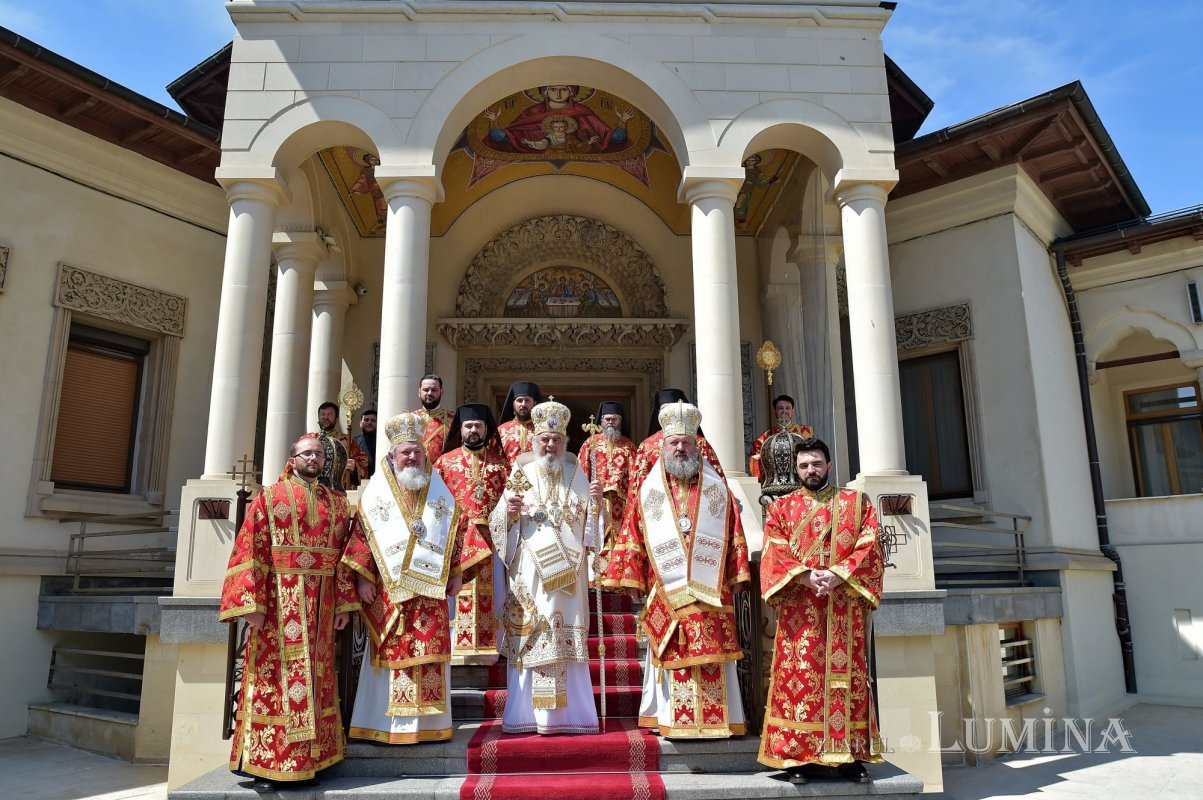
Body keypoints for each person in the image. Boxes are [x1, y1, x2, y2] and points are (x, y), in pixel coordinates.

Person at [341, 412, 492, 744]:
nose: (411, 457)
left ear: (425, 456)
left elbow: (457, 532)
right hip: (388, 592)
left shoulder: (440, 493)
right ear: (392, 456)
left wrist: (456, 573)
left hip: (430, 594)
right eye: (405, 452)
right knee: (390, 654)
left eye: (417, 452)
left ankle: (429, 726)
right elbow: (361, 538)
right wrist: (363, 580)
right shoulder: (375, 495)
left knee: (429, 651)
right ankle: (384, 726)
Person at [602, 402, 750, 738]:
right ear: (663, 447)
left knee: (713, 651)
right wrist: (633, 578)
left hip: (711, 591)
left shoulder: (717, 489)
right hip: (667, 589)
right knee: (672, 649)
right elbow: (633, 535)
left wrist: (738, 573)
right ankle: (670, 718)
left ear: (697, 446)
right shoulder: (649, 492)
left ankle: (720, 720)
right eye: (674, 443)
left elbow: (734, 533)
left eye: (685, 442)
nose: (680, 448)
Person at [220, 435, 356, 792]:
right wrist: (251, 604)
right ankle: (268, 765)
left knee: (317, 678)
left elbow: (344, 558)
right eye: (306, 453)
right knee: (274, 680)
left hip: (322, 606)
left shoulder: (338, 503)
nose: (313, 458)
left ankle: (313, 760)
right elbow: (250, 548)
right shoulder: (269, 497)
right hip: (278, 605)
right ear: (292, 459)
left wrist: (344, 602)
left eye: (319, 454)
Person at [757, 438, 885, 785]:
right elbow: (774, 550)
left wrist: (838, 574)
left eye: (816, 464)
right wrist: (805, 576)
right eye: (803, 466)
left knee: (849, 679)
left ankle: (850, 758)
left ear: (829, 465)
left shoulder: (856, 503)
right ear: (796, 470)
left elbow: (870, 544)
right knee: (798, 681)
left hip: (844, 608)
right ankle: (795, 758)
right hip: (801, 611)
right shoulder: (781, 508)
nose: (810, 470)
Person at [488, 399, 602, 734]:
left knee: (565, 634)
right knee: (532, 635)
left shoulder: (578, 474)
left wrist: (597, 505)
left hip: (569, 576)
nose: (550, 445)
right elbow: (498, 521)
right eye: (544, 439)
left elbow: (593, 532)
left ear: (565, 442)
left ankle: (573, 716)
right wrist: (508, 513)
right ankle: (527, 715)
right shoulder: (521, 473)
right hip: (531, 573)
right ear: (534, 441)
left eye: (556, 440)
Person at [435, 403, 508, 664]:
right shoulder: (445, 462)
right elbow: (436, 504)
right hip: (457, 541)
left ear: (486, 429)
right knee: (456, 594)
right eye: (468, 426)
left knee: (495, 592)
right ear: (461, 428)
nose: (473, 430)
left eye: (478, 425)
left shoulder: (501, 465)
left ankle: (493, 647)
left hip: (493, 542)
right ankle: (457, 649)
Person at [577, 400, 636, 578]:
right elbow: (581, 473)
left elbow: (635, 477)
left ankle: (617, 579)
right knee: (596, 540)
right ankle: (595, 580)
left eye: (614, 419)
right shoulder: (590, 444)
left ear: (620, 421)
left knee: (619, 541)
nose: (610, 422)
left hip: (621, 505)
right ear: (601, 421)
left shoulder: (628, 446)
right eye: (607, 419)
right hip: (596, 503)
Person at [748, 394, 813, 481]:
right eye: (780, 408)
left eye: (788, 408)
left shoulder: (805, 432)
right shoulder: (766, 437)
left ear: (792, 411)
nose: (784, 411)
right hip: (776, 481)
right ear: (775, 411)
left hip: (800, 479)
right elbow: (755, 458)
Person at [314, 401, 368, 493]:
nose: (325, 417)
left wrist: (354, 468)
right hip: (313, 487)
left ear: (336, 418)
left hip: (337, 489)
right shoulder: (308, 439)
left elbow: (363, 462)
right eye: (322, 414)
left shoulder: (347, 440)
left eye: (329, 414)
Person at [496, 380, 543, 469]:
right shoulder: (501, 431)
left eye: (527, 400)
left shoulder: (543, 429)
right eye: (520, 400)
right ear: (513, 404)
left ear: (535, 403)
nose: (523, 404)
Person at [415, 374, 454, 462]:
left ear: (441, 392)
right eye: (426, 390)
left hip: (442, 469)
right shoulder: (409, 419)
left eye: (434, 390)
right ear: (419, 392)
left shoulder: (454, 419)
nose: (429, 393)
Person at [353, 408, 378, 482]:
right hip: (359, 483)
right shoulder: (355, 441)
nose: (369, 422)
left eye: (373, 420)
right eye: (366, 420)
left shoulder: (383, 441)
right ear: (360, 423)